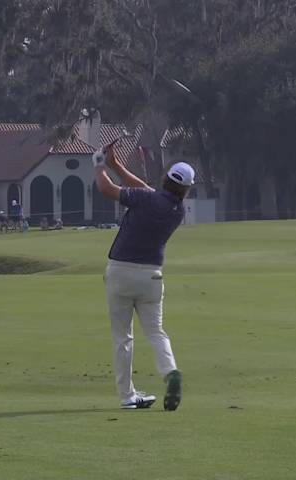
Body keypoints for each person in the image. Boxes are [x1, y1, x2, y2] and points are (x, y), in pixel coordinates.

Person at [92, 142, 189, 411]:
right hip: (151, 278)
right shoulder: (177, 210)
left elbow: (106, 189)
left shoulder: (148, 199)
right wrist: (116, 165)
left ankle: (127, 396)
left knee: (123, 337)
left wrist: (99, 164)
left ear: (166, 179)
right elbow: (145, 190)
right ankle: (170, 372)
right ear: (186, 189)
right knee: (156, 332)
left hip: (120, 272)